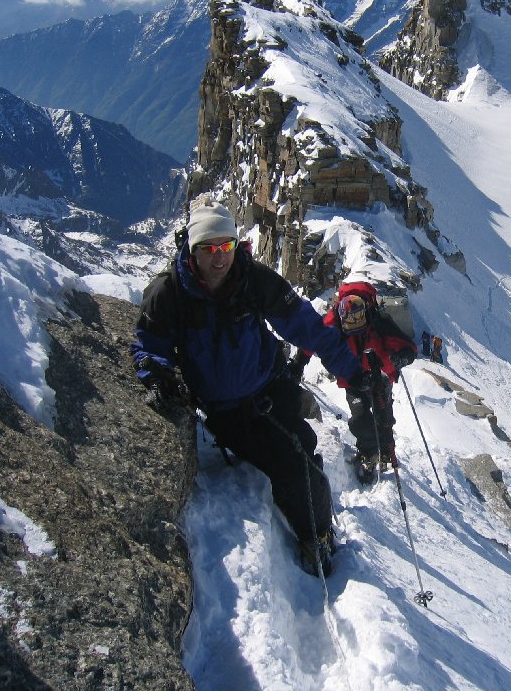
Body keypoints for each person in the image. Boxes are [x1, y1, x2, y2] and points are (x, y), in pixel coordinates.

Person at [130, 200, 365, 577]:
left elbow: (305, 325)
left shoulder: (252, 279)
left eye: (226, 247)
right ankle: (316, 535)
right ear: (192, 249)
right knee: (293, 459)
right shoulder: (170, 292)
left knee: (302, 444)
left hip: (268, 385)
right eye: (208, 249)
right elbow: (149, 344)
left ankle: (317, 524)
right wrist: (155, 371)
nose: (219, 258)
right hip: (227, 409)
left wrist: (351, 370)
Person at [304, 283, 416, 484]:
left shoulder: (378, 322)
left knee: (384, 415)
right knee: (360, 417)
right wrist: (299, 361)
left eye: (358, 319)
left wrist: (403, 357)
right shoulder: (334, 323)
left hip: (378, 376)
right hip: (353, 379)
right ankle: (369, 452)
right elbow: (315, 339)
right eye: (350, 321)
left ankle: (385, 449)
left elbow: (408, 347)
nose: (355, 323)